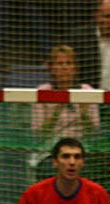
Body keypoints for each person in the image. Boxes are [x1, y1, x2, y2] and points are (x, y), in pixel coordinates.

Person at [29, 45, 101, 179]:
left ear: (75, 68)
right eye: (59, 64)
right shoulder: (42, 92)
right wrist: (58, 106)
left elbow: (94, 133)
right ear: (51, 68)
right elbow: (39, 134)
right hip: (50, 151)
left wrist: (84, 113)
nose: (64, 68)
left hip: (82, 150)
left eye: (69, 63)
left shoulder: (87, 91)